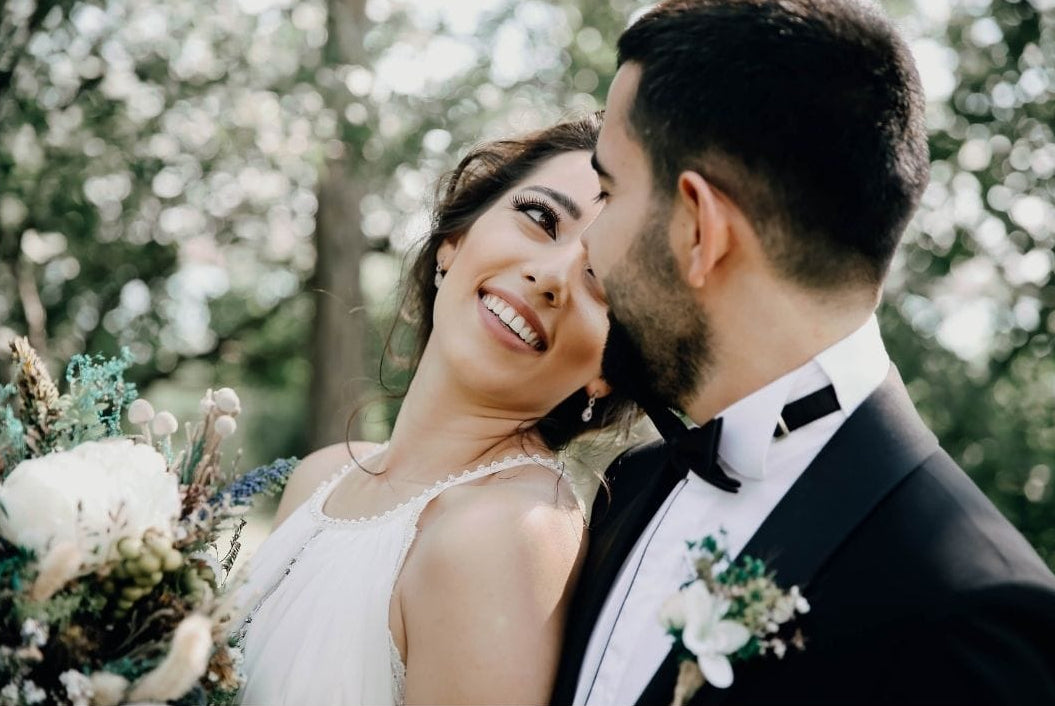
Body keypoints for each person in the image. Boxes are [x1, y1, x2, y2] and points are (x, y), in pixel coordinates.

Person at [552, 1, 1055, 705]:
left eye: (607, 192)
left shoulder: (969, 611)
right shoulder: (625, 489)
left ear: (700, 227)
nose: (586, 247)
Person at [235, 114, 637, 705]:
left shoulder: (506, 533)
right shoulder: (320, 476)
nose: (550, 276)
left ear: (610, 367)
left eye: (601, 278)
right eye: (539, 217)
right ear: (454, 240)